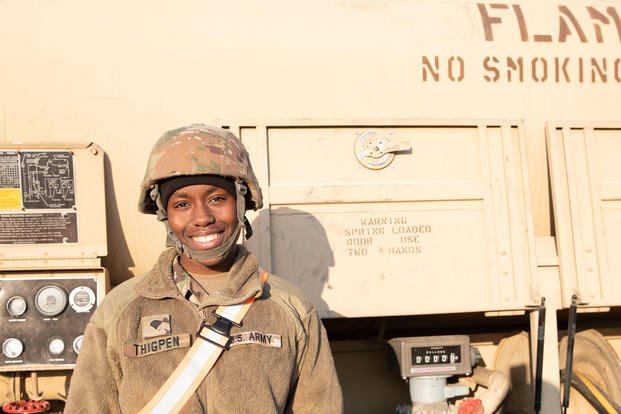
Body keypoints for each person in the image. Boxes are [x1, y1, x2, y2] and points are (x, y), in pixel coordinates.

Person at [64, 124, 343, 413]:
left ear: (241, 203)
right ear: (165, 215)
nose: (202, 217)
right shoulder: (121, 310)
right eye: (182, 204)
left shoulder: (290, 306)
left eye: (217, 199)